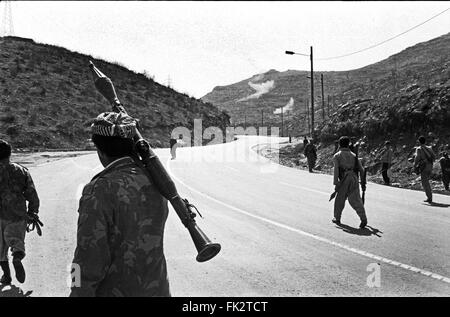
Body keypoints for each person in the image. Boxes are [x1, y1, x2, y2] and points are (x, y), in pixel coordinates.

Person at [70, 112, 170, 297]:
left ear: (100, 150)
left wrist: (76, 291)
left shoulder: (99, 190)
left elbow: (86, 258)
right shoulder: (157, 181)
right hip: (158, 289)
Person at [0, 139, 40, 285]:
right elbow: (31, 193)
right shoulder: (21, 170)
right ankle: (17, 257)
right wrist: (33, 211)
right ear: (9, 154)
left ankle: (7, 276)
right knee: (17, 242)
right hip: (17, 215)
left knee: (0, 250)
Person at [332, 136, 368, 228]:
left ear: (340, 144)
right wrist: (363, 182)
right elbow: (361, 170)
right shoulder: (354, 155)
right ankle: (363, 218)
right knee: (356, 199)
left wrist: (336, 182)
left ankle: (337, 217)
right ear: (348, 144)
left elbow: (336, 169)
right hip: (354, 178)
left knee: (340, 199)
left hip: (344, 178)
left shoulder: (337, 156)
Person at [413, 136, 436, 203]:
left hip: (424, 167)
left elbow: (417, 158)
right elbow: (434, 157)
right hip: (430, 166)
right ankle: (429, 196)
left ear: (419, 142)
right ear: (425, 141)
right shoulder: (429, 148)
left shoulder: (419, 149)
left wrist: (414, 166)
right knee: (427, 181)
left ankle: (429, 197)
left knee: (425, 183)